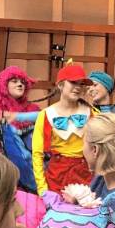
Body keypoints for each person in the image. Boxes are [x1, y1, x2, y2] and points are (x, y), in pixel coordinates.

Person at [32, 65, 94, 195]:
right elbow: (37, 154)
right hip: (56, 176)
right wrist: (42, 189)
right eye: (73, 82)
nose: (78, 87)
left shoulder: (91, 113)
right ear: (60, 85)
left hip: (85, 176)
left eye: (81, 83)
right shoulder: (45, 115)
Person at [0, 66, 40, 151]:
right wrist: (4, 159)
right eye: (14, 81)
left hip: (31, 161)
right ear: (5, 84)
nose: (20, 84)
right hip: (0, 161)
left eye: (22, 82)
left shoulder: (34, 110)